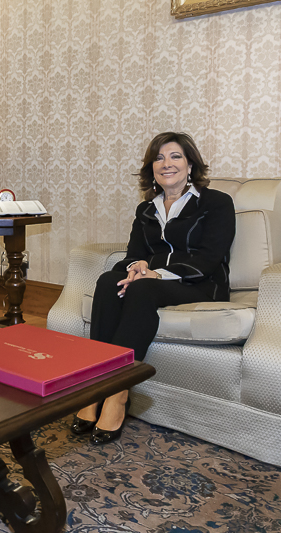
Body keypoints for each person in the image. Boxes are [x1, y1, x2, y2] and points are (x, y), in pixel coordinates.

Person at [71, 132, 236, 445]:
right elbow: (134, 254)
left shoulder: (216, 203)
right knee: (109, 280)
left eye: (175, 156)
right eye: (159, 157)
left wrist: (157, 274)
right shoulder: (146, 209)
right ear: (152, 168)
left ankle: (118, 393)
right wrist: (136, 268)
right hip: (154, 282)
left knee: (142, 289)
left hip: (200, 285)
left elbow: (210, 258)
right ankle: (94, 386)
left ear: (190, 165)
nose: (166, 163)